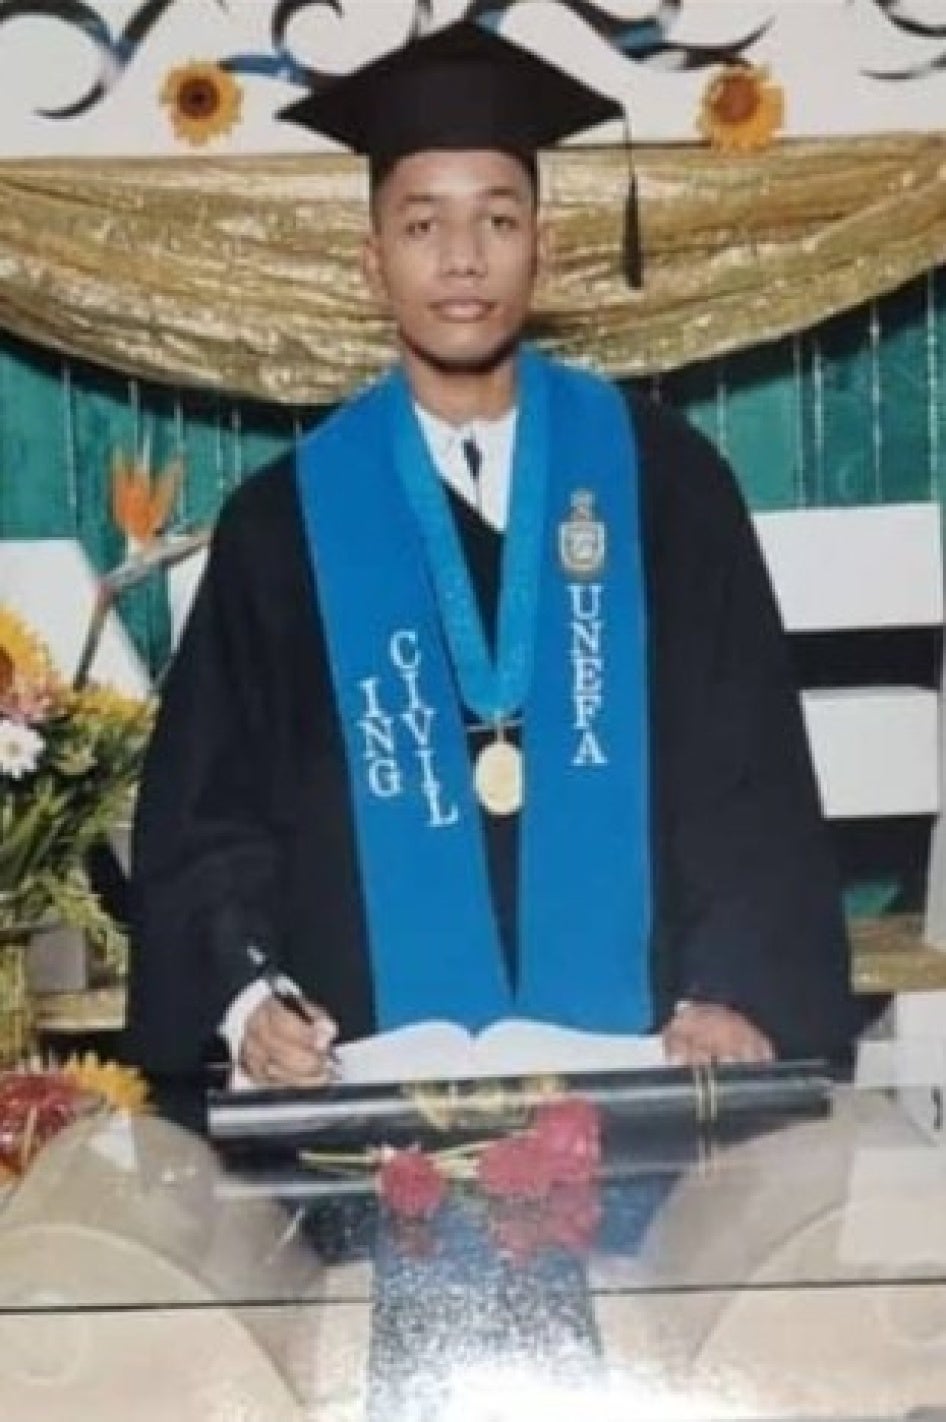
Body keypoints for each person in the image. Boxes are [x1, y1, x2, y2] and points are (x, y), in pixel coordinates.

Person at [126, 21, 856, 1087]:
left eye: (497, 219)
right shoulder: (283, 523)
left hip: (646, 1053)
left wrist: (730, 989)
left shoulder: (665, 484)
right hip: (361, 1080)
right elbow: (206, 819)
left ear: (542, 248)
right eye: (422, 224)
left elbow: (748, 785)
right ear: (372, 261)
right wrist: (249, 1004)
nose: (461, 259)